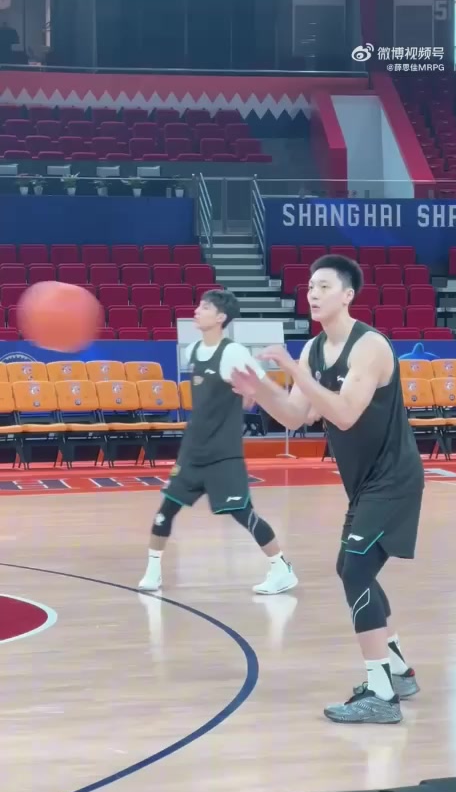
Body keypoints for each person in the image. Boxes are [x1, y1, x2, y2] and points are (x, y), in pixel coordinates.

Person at [231, 255, 424, 724]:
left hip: (394, 478)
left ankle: (382, 693)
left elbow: (343, 414)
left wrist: (295, 372)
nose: (312, 293)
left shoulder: (369, 346)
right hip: (365, 484)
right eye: (309, 286)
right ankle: (398, 670)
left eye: (322, 286)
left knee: (356, 570)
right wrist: (262, 390)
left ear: (347, 295)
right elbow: (296, 416)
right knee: (351, 568)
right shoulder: (315, 350)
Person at [138, 288, 298, 596]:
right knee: (165, 511)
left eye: (204, 307)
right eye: (198, 306)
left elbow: (263, 391)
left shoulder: (234, 352)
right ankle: (153, 571)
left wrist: (251, 396)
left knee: (243, 513)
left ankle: (281, 568)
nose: (197, 311)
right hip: (192, 452)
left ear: (221, 317)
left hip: (223, 453)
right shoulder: (193, 350)